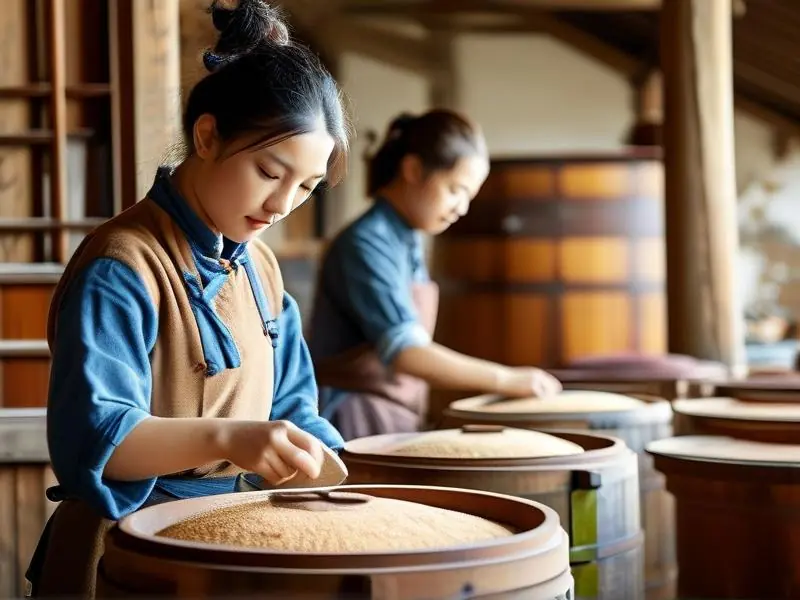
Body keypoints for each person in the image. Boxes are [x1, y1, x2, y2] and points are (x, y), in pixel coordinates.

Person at [27, 1, 351, 596]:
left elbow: (295, 405)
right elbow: (98, 437)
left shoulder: (263, 267)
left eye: (305, 186)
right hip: (126, 545)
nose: (282, 204)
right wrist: (234, 437)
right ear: (207, 135)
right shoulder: (122, 263)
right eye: (269, 171)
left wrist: (333, 464)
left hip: (228, 535)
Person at [307, 110, 562, 441]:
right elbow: (407, 352)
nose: (462, 207)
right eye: (455, 189)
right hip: (352, 418)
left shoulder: (407, 239)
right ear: (413, 169)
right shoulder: (367, 242)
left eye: (469, 196)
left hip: (391, 415)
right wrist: (506, 379)